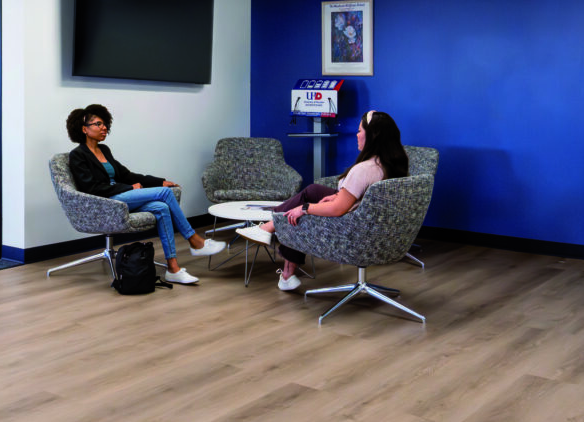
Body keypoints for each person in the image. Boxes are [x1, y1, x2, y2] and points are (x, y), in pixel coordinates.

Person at [237, 110, 409, 291]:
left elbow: (337, 210)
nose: (356, 135)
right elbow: (368, 198)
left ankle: (270, 231)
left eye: (360, 131)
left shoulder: (364, 170)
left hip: (352, 230)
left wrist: (305, 208)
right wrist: (338, 195)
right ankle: (272, 232)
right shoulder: (392, 164)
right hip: (376, 228)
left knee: (298, 213)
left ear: (373, 136)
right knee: (313, 191)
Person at [66, 104, 225, 284]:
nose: (104, 128)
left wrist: (159, 181)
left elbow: (126, 175)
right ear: (84, 129)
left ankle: (173, 269)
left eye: (104, 124)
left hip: (120, 197)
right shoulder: (78, 155)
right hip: (106, 201)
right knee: (165, 194)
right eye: (98, 124)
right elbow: (91, 188)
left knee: (162, 208)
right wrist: (128, 188)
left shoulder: (104, 150)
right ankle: (195, 240)